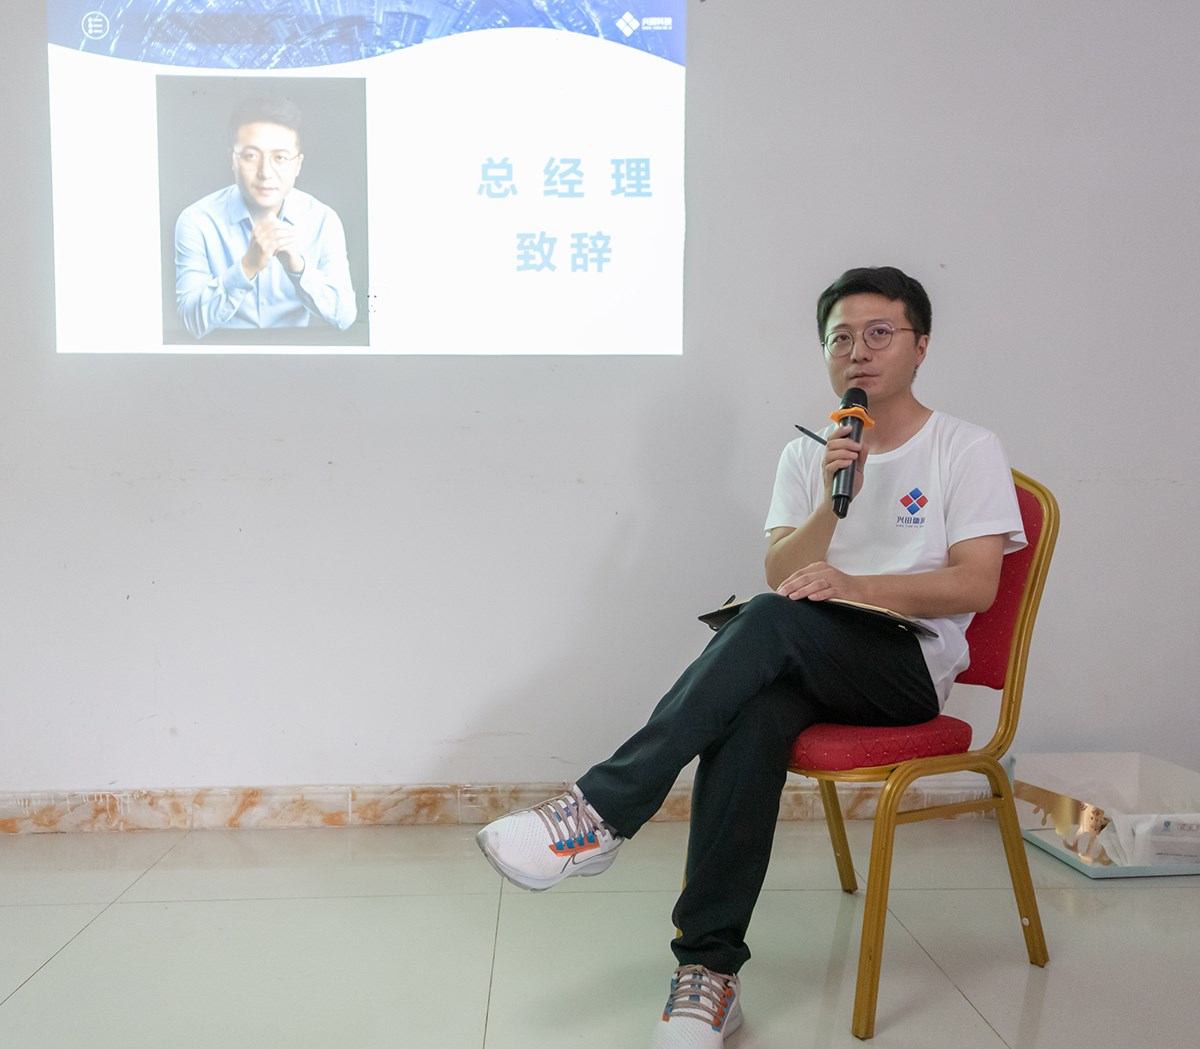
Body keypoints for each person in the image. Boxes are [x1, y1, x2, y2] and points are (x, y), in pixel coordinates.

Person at [475, 266, 1026, 1048]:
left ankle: (597, 811)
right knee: (753, 710)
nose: (858, 351)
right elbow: (782, 572)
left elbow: (975, 582)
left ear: (921, 344)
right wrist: (831, 501)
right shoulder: (809, 455)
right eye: (840, 337)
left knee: (766, 622)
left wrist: (855, 584)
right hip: (809, 653)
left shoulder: (964, 447)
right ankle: (708, 973)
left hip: (906, 668)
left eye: (879, 333)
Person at [174, 98, 357, 339]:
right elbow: (190, 321)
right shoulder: (196, 220)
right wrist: (247, 267)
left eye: (280, 157)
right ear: (232, 160)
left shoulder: (323, 219)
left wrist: (298, 267)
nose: (265, 173)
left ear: (298, 165)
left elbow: (345, 317)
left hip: (296, 356)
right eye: (250, 156)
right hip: (221, 356)